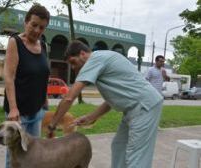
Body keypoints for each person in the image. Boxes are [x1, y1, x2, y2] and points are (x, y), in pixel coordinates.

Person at [47, 40, 163, 168]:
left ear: (82, 54)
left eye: (73, 62)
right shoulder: (101, 59)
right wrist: (91, 117)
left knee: (136, 158)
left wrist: (52, 124)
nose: (73, 67)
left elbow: (69, 98)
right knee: (119, 146)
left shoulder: (94, 60)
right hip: (134, 108)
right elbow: (111, 100)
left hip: (144, 106)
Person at [3, 4, 50, 168]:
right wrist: (13, 108)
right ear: (26, 22)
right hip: (18, 113)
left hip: (36, 110)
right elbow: (9, 76)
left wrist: (44, 100)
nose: (37, 30)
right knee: (14, 156)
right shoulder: (15, 42)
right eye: (34, 25)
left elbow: (43, 75)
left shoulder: (43, 45)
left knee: (32, 153)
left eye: (42, 27)